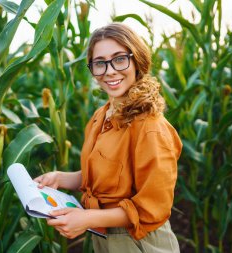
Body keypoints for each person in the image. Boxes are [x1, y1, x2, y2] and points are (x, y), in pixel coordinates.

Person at [34, 22, 182, 253]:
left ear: (137, 61)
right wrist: (61, 178)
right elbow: (110, 173)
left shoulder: (151, 128)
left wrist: (87, 219)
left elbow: (152, 208)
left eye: (120, 59)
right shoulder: (101, 115)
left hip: (140, 241)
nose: (110, 70)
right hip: (103, 235)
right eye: (99, 63)